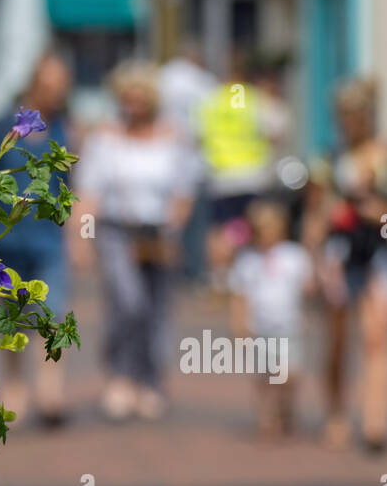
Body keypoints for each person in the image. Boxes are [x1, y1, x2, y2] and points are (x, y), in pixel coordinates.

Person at [305, 78, 387, 453]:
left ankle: (376, 420)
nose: (350, 123)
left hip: (379, 255)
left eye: (356, 116)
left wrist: (382, 214)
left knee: (378, 336)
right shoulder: (329, 159)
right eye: (344, 117)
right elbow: (314, 216)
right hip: (339, 256)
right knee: (338, 342)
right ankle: (336, 413)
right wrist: (314, 262)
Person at [73, 61, 194, 422]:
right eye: (128, 98)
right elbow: (88, 191)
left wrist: (174, 226)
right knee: (128, 302)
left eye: (140, 97)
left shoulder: (173, 136)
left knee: (157, 309)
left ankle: (150, 380)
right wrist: (81, 238)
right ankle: (120, 375)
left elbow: (184, 190)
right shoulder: (105, 137)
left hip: (158, 231)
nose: (134, 105)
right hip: (116, 230)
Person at [0, 50, 73, 425]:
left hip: (48, 240)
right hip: (6, 239)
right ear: (35, 84)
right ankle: (15, 386)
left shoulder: (66, 128)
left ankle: (50, 390)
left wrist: (80, 236)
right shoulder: (5, 123)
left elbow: (73, 185)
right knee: (10, 317)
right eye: (50, 86)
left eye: (62, 88)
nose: (56, 95)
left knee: (50, 315)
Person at [228, 199, 313, 439]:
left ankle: (286, 409)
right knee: (263, 376)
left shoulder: (295, 256)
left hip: (289, 326)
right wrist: (239, 326)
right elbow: (239, 295)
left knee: (288, 374)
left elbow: (306, 288)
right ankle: (266, 418)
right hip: (260, 328)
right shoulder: (247, 260)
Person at [196, 53, 277, 301]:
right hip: (252, 174)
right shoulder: (254, 99)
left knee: (219, 228)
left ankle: (220, 277)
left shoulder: (211, 101)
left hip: (221, 175)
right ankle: (250, 273)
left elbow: (198, 135)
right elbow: (275, 130)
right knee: (250, 226)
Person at [159, 40, 216, 283]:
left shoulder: (163, 78)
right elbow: (211, 124)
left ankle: (167, 266)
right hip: (194, 161)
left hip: (164, 158)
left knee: (167, 217)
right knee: (195, 221)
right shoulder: (205, 83)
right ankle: (193, 269)